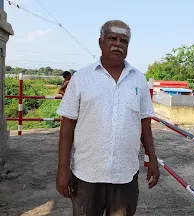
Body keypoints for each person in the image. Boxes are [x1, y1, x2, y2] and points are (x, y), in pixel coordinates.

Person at [56, 20, 160, 216]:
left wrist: (152, 159)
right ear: (100, 42)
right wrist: (63, 168)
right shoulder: (81, 78)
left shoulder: (139, 79)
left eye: (124, 40)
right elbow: (67, 125)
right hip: (86, 174)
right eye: (112, 38)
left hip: (125, 175)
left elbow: (144, 124)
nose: (118, 44)